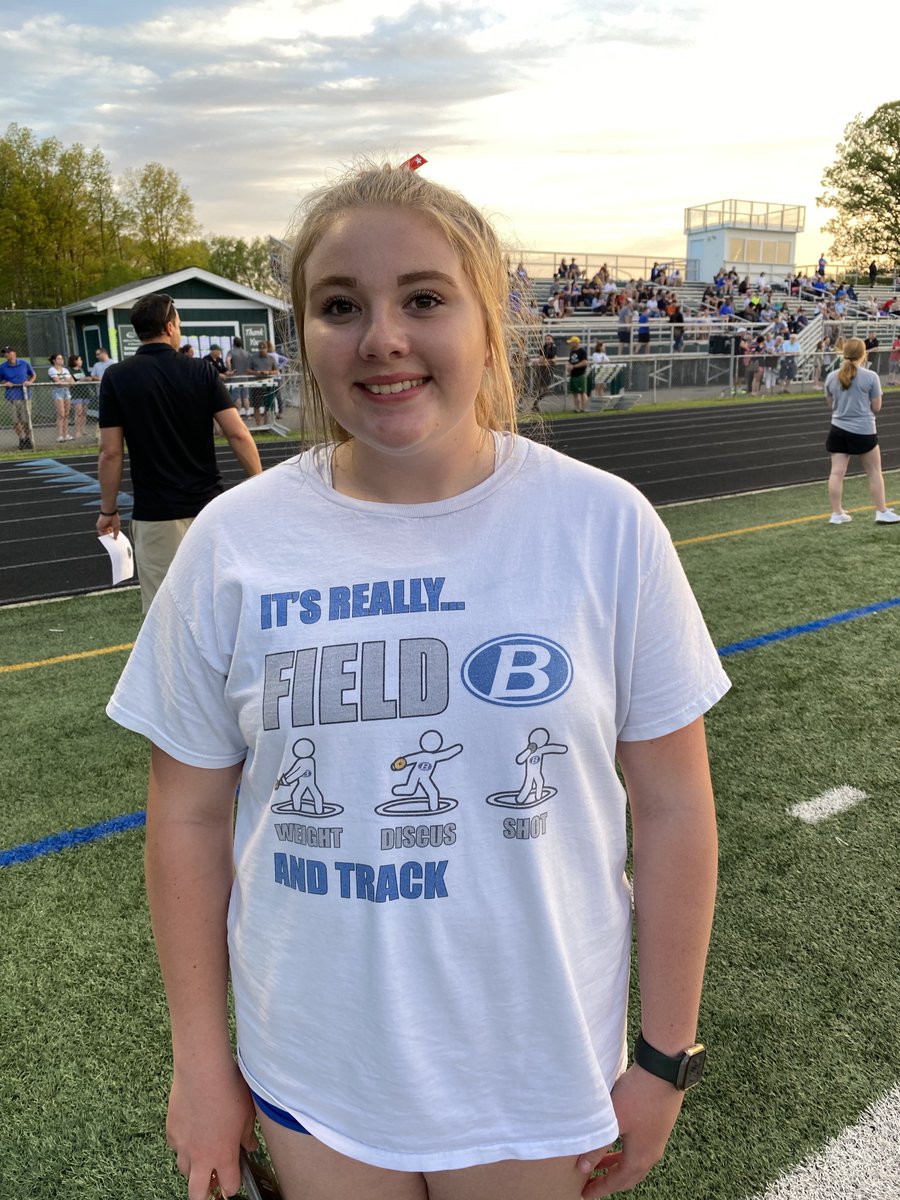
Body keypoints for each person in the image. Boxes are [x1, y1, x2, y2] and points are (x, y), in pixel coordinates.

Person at [106, 162, 730, 1200]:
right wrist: (199, 1065)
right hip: (314, 1069)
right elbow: (185, 817)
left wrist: (664, 1059)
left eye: (424, 299)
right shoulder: (235, 544)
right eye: (340, 305)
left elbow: (674, 809)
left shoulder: (603, 526)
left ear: (489, 320)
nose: (382, 338)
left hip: (534, 1072)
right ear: (302, 334)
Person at [96, 292, 263, 611]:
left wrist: (108, 510)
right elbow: (238, 434)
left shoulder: (117, 377)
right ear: (170, 326)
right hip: (209, 511)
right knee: (218, 607)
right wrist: (259, 483)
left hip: (157, 515)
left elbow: (110, 452)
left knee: (166, 615)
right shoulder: (200, 371)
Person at [824, 337, 900, 525]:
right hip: (863, 430)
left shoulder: (831, 376)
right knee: (874, 471)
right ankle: (881, 511)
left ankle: (837, 513)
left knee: (836, 473)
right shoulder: (870, 376)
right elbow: (877, 407)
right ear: (863, 354)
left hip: (837, 429)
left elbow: (830, 405)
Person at [0, 346, 36, 450]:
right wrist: (5, 383)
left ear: (14, 353)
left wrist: (29, 382)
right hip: (11, 396)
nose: (7, 354)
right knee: (16, 421)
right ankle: (21, 439)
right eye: (5, 353)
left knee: (26, 420)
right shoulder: (2, 367)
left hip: (25, 396)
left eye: (8, 352)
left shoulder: (24, 364)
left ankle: (28, 438)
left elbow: (33, 375)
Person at [247, 340, 280, 426]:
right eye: (260, 349)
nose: (262, 351)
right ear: (258, 349)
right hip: (256, 384)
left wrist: (268, 372)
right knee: (256, 406)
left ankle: (266, 425)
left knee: (268, 406)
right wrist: (256, 373)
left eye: (264, 349)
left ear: (267, 349)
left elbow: (276, 371)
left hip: (268, 385)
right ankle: (259, 426)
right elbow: (247, 370)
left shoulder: (271, 359)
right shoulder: (253, 357)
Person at [47, 353, 74, 441]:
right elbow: (57, 382)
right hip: (58, 393)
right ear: (54, 361)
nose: (61, 360)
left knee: (66, 414)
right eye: (59, 358)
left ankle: (66, 434)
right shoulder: (52, 370)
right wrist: (65, 381)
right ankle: (60, 435)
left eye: (61, 358)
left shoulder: (66, 370)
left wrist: (65, 382)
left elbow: (72, 382)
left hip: (67, 392)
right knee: (61, 414)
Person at [67, 354, 91, 440]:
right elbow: (71, 383)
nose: (81, 361)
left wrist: (87, 379)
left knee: (84, 412)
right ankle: (77, 431)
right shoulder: (70, 371)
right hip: (76, 393)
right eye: (80, 360)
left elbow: (84, 378)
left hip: (85, 392)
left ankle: (83, 429)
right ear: (75, 361)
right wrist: (82, 379)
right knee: (78, 412)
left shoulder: (81, 369)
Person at [228, 337, 252, 415]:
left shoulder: (231, 352)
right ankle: (247, 413)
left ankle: (238, 414)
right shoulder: (246, 352)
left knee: (236, 396)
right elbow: (252, 361)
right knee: (245, 396)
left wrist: (230, 370)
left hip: (236, 376)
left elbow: (227, 360)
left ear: (233, 343)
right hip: (245, 377)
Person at [566, 334, 590, 411]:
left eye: (571, 342)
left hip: (580, 374)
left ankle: (585, 408)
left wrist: (574, 366)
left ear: (576, 343)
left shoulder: (582, 351)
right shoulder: (572, 351)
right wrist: (568, 366)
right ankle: (577, 409)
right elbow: (570, 361)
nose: (570, 344)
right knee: (575, 393)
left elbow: (585, 362)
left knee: (582, 392)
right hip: (573, 375)